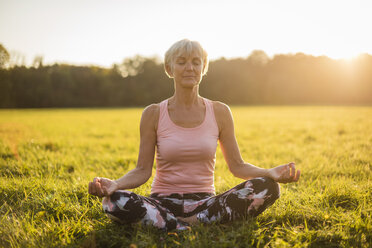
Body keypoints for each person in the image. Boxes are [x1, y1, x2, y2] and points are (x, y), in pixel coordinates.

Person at [88, 39, 301, 231]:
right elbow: (142, 171)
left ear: (203, 68)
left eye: (196, 62)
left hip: (206, 204)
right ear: (169, 68)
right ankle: (187, 224)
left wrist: (269, 172)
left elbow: (237, 166)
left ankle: (175, 225)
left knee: (268, 188)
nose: (189, 67)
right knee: (113, 201)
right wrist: (115, 185)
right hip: (162, 203)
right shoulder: (153, 113)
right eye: (181, 62)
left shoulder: (220, 112)